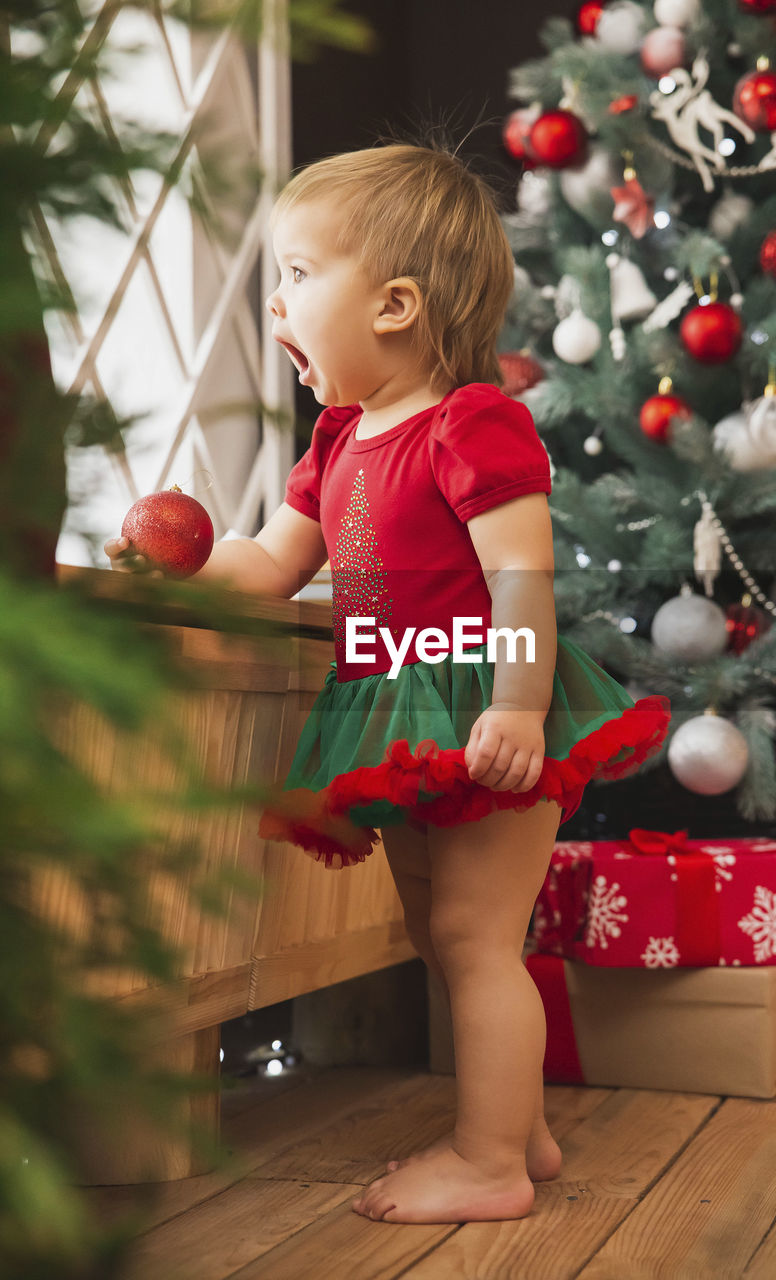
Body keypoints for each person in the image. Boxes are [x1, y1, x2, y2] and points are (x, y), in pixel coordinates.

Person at [106, 143, 670, 1225]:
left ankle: (487, 1158)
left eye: (299, 274)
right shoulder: (336, 440)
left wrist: (513, 702)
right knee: (437, 928)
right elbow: (272, 562)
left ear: (397, 304)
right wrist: (182, 555)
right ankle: (521, 1129)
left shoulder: (469, 422)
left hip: (476, 701)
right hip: (398, 708)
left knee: (472, 936)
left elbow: (522, 574)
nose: (276, 302)